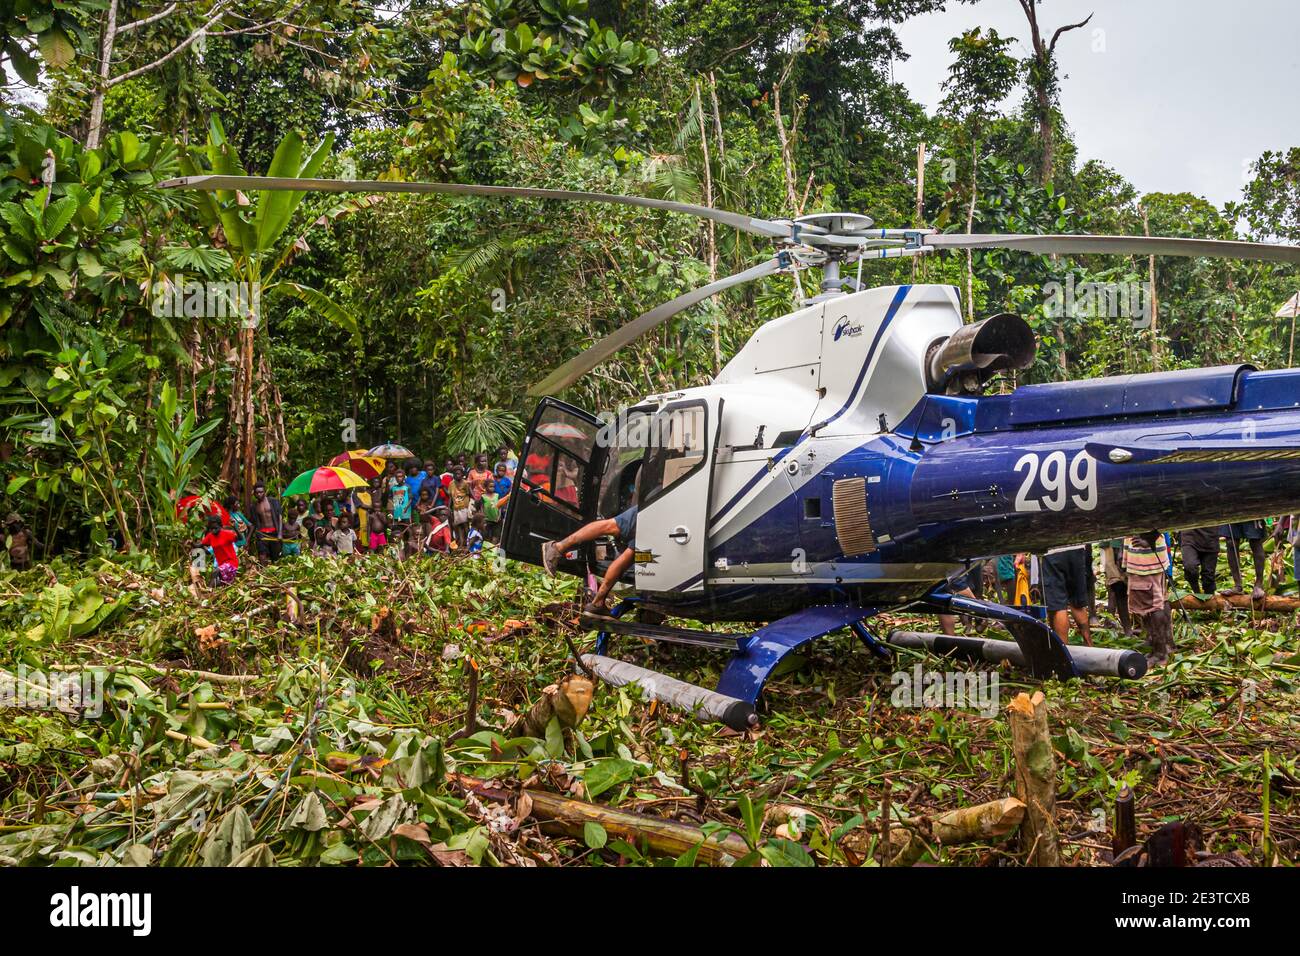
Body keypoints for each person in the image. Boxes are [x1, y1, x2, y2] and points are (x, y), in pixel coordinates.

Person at [541, 503, 637, 614]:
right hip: (657, 504)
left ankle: (598, 603)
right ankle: (558, 547)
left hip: (658, 507)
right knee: (613, 528)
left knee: (629, 553)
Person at [1125, 530, 1174, 666]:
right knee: (1157, 601)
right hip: (1145, 556)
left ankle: (1160, 652)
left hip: (1146, 559)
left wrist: (1150, 539)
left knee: (1153, 606)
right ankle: (1161, 646)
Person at [1040, 544, 1092, 646]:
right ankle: (1089, 644)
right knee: (1077, 602)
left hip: (1051, 550)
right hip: (1076, 548)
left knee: (1057, 604)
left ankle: (1064, 650)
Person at [1222, 520, 1267, 601]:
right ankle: (1238, 585)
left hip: (1251, 510)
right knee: (1230, 542)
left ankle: (1259, 584)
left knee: (1255, 541)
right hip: (1231, 510)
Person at [1100, 538, 1131, 636]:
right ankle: (1128, 630)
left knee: (1138, 588)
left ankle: (1147, 632)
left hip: (1128, 544)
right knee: (1118, 587)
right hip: (1111, 545)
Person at [198, 514, 239, 585]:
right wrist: (191, 543)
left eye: (215, 528)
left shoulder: (227, 534)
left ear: (220, 526)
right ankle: (210, 592)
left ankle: (209, 591)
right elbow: (203, 547)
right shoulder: (211, 536)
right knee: (219, 583)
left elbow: (239, 538)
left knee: (215, 572)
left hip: (231, 564)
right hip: (219, 565)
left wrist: (235, 527)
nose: (213, 531)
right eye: (211, 529)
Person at [1180, 526, 1220, 596]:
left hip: (1211, 537)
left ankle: (1210, 600)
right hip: (1189, 535)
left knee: (1208, 575)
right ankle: (1197, 593)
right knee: (1190, 567)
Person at [248, 481, 283, 562]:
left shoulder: (274, 501)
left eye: (261, 492)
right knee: (262, 555)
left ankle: (273, 573)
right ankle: (262, 571)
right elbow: (253, 523)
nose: (259, 494)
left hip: (274, 532)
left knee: (275, 557)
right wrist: (248, 539)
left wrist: (280, 533)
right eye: (257, 493)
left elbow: (280, 517)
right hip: (262, 534)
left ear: (264, 492)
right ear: (254, 494)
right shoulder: (253, 506)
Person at [449, 466, 472, 547]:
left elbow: (470, 494)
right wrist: (449, 508)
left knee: (466, 525)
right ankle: (461, 543)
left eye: (459, 474)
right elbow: (450, 497)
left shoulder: (465, 483)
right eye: (455, 474)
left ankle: (468, 542)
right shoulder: (451, 484)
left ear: (462, 474)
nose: (457, 475)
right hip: (456, 508)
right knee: (458, 526)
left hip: (464, 508)